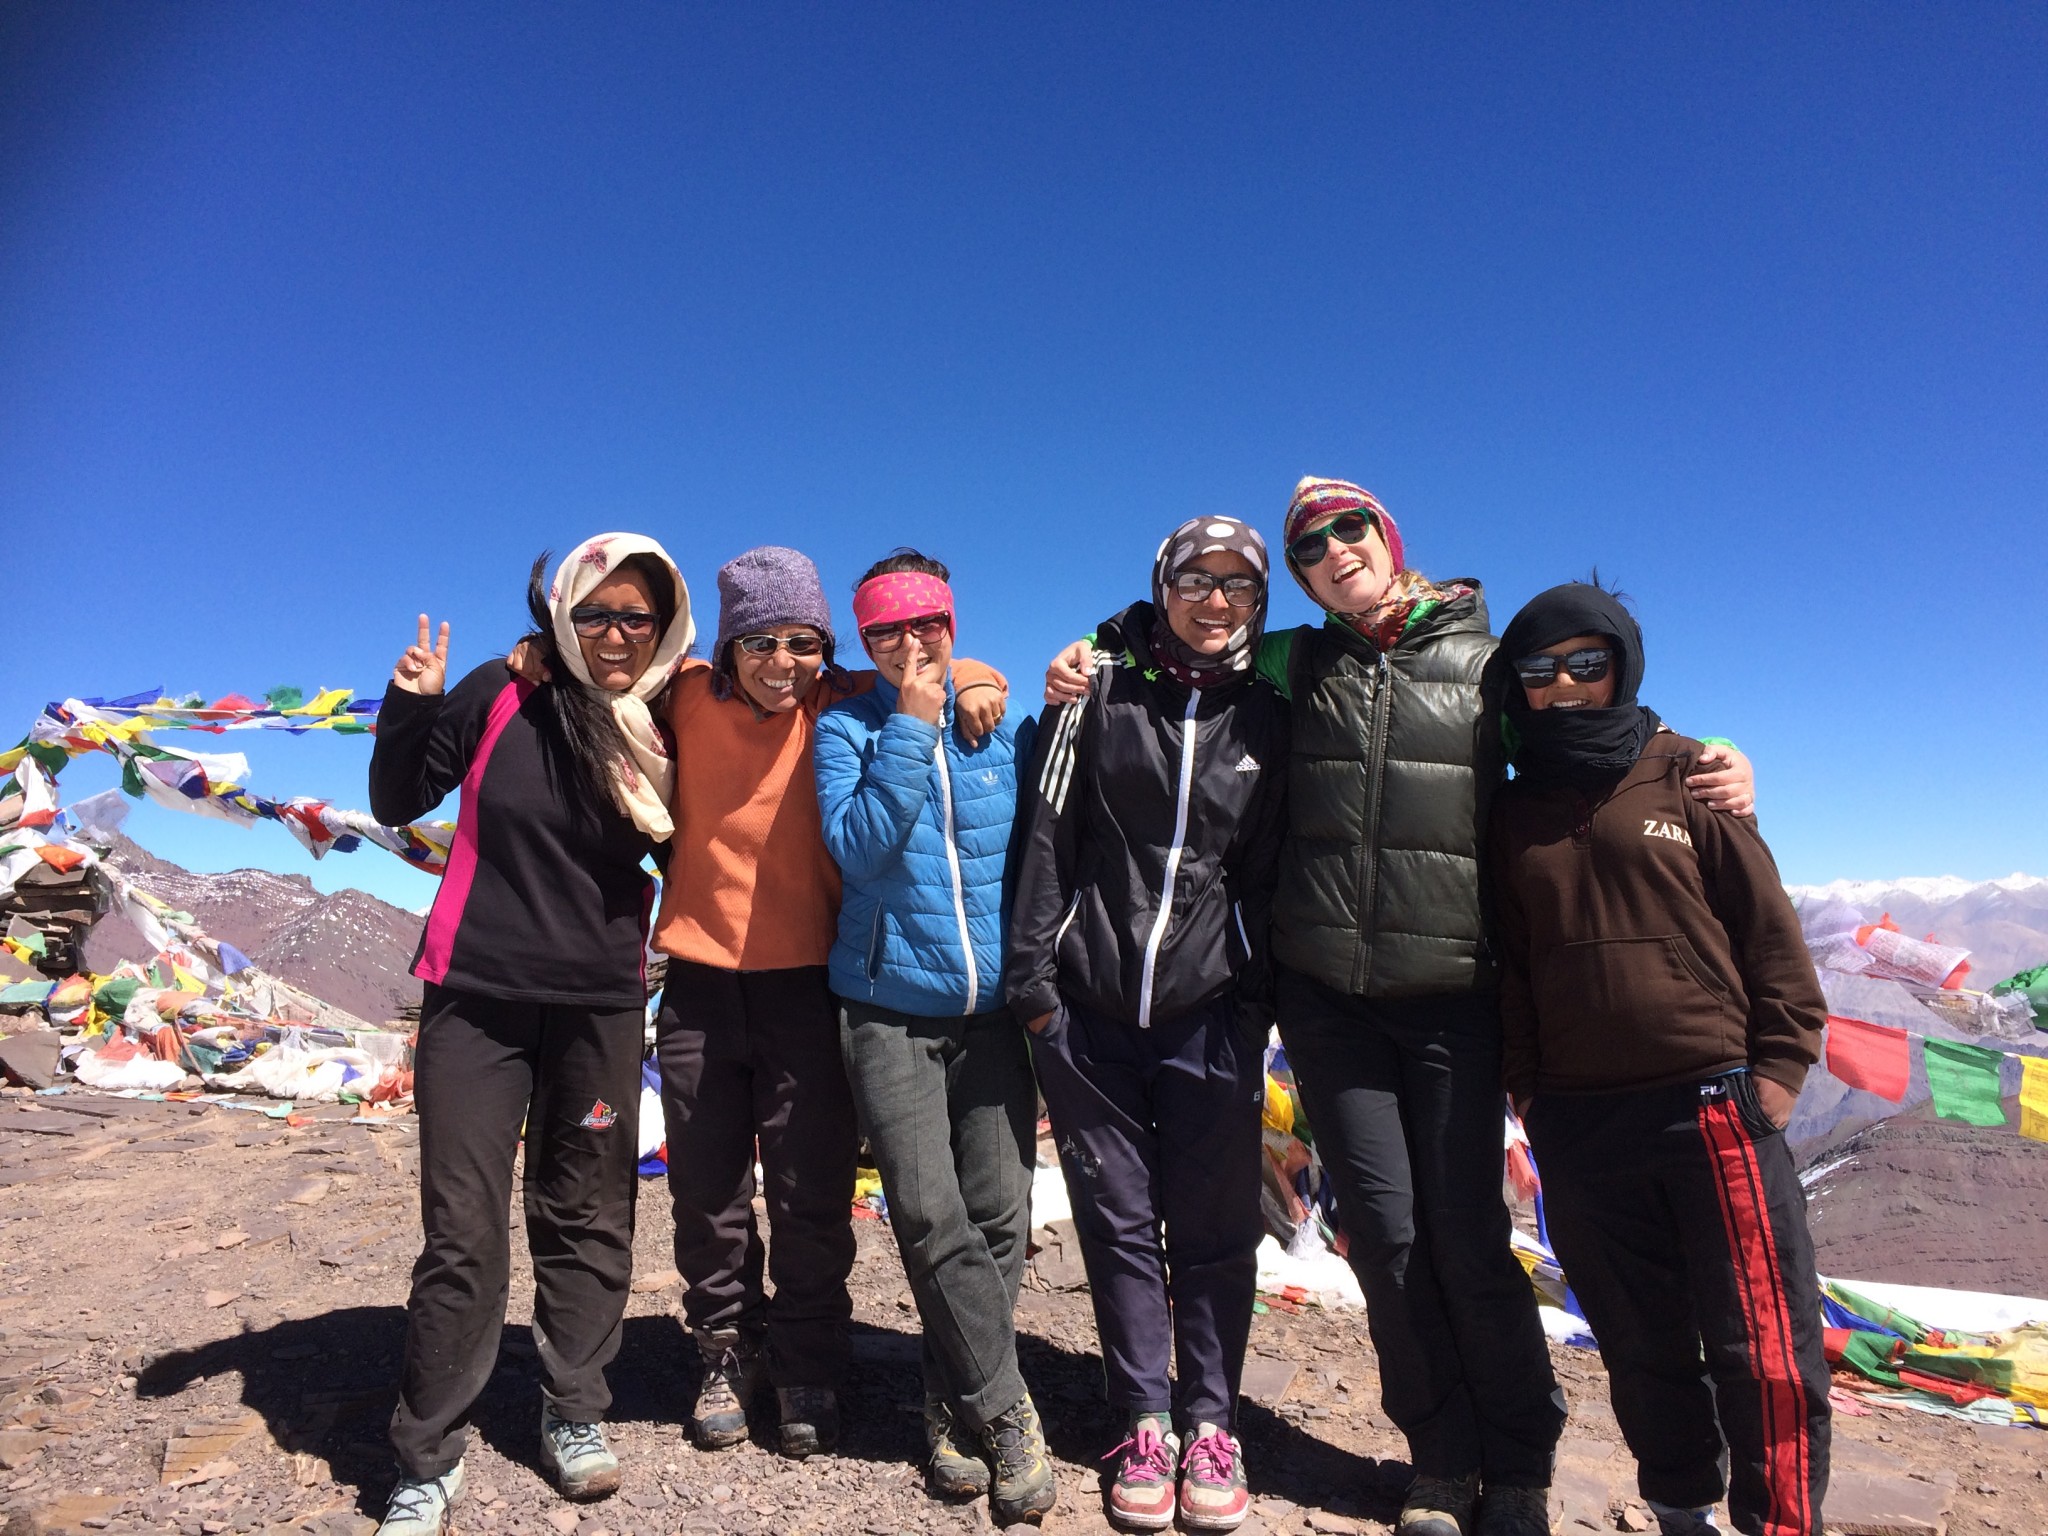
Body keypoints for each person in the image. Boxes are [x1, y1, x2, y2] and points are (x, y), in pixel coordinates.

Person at [1043, 478, 1757, 1536]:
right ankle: (1437, 1459)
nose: (1331, 552)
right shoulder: (1300, 660)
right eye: (1307, 547)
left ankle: (1515, 1457)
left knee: (1465, 1238)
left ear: (1387, 536)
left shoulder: (1481, 665)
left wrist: (1698, 760)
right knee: (1380, 1240)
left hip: (1454, 1000)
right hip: (1329, 1006)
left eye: (1349, 530)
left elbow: (1585, 731)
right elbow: (1177, 634)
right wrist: (1082, 650)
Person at [650, 545, 1006, 1460]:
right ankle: (726, 1349)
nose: (782, 663)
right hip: (696, 984)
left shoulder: (839, 702)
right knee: (707, 1187)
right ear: (727, 647)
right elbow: (594, 673)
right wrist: (527, 657)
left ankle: (810, 1360)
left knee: (811, 1189)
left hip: (808, 983)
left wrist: (972, 672)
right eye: (759, 643)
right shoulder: (683, 697)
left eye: (802, 641)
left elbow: (921, 666)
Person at [367, 534, 693, 1536]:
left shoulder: (671, 717)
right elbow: (396, 798)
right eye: (593, 613)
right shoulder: (502, 690)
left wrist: (974, 672)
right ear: (560, 614)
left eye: (634, 617)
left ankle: (573, 1413)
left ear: (663, 626)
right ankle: (427, 1460)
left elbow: (806, 689)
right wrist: (413, 701)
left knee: (588, 1209)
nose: (612, 634)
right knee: (461, 1229)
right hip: (475, 995)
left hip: (597, 1002)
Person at [1489, 582, 1828, 1536]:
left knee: (1761, 1340)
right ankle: (1681, 1507)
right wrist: (1530, 1091)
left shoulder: (1693, 775)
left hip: (1712, 1100)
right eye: (1541, 670)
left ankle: (1779, 1524)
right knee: (1639, 1340)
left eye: (1587, 664)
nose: (1565, 686)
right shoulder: (1514, 813)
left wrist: (1779, 1072)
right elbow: (1513, 970)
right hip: (1580, 1117)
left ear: (1622, 666)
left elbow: (1769, 934)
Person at [1007, 517, 1287, 1534]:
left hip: (1211, 1014)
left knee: (1214, 1233)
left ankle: (1213, 1422)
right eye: (1195, 581)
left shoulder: (1268, 718)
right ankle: (1144, 1419)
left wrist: (1252, 996)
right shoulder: (1097, 692)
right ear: (1161, 586)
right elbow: (1047, 834)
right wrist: (1033, 985)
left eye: (1238, 588)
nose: (1215, 603)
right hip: (1086, 1009)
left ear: (1258, 604)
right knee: (1118, 1225)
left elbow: (1266, 872)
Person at [813, 550, 1055, 1526]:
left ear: (954, 624)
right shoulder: (845, 727)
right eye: (886, 633)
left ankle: (945, 1397)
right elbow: (860, 847)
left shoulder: (1000, 726)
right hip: (885, 1009)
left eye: (929, 628)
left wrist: (980, 687)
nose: (911, 645)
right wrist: (912, 727)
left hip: (994, 1013)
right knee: (924, 1212)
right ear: (865, 643)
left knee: (999, 1217)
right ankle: (1002, 1412)